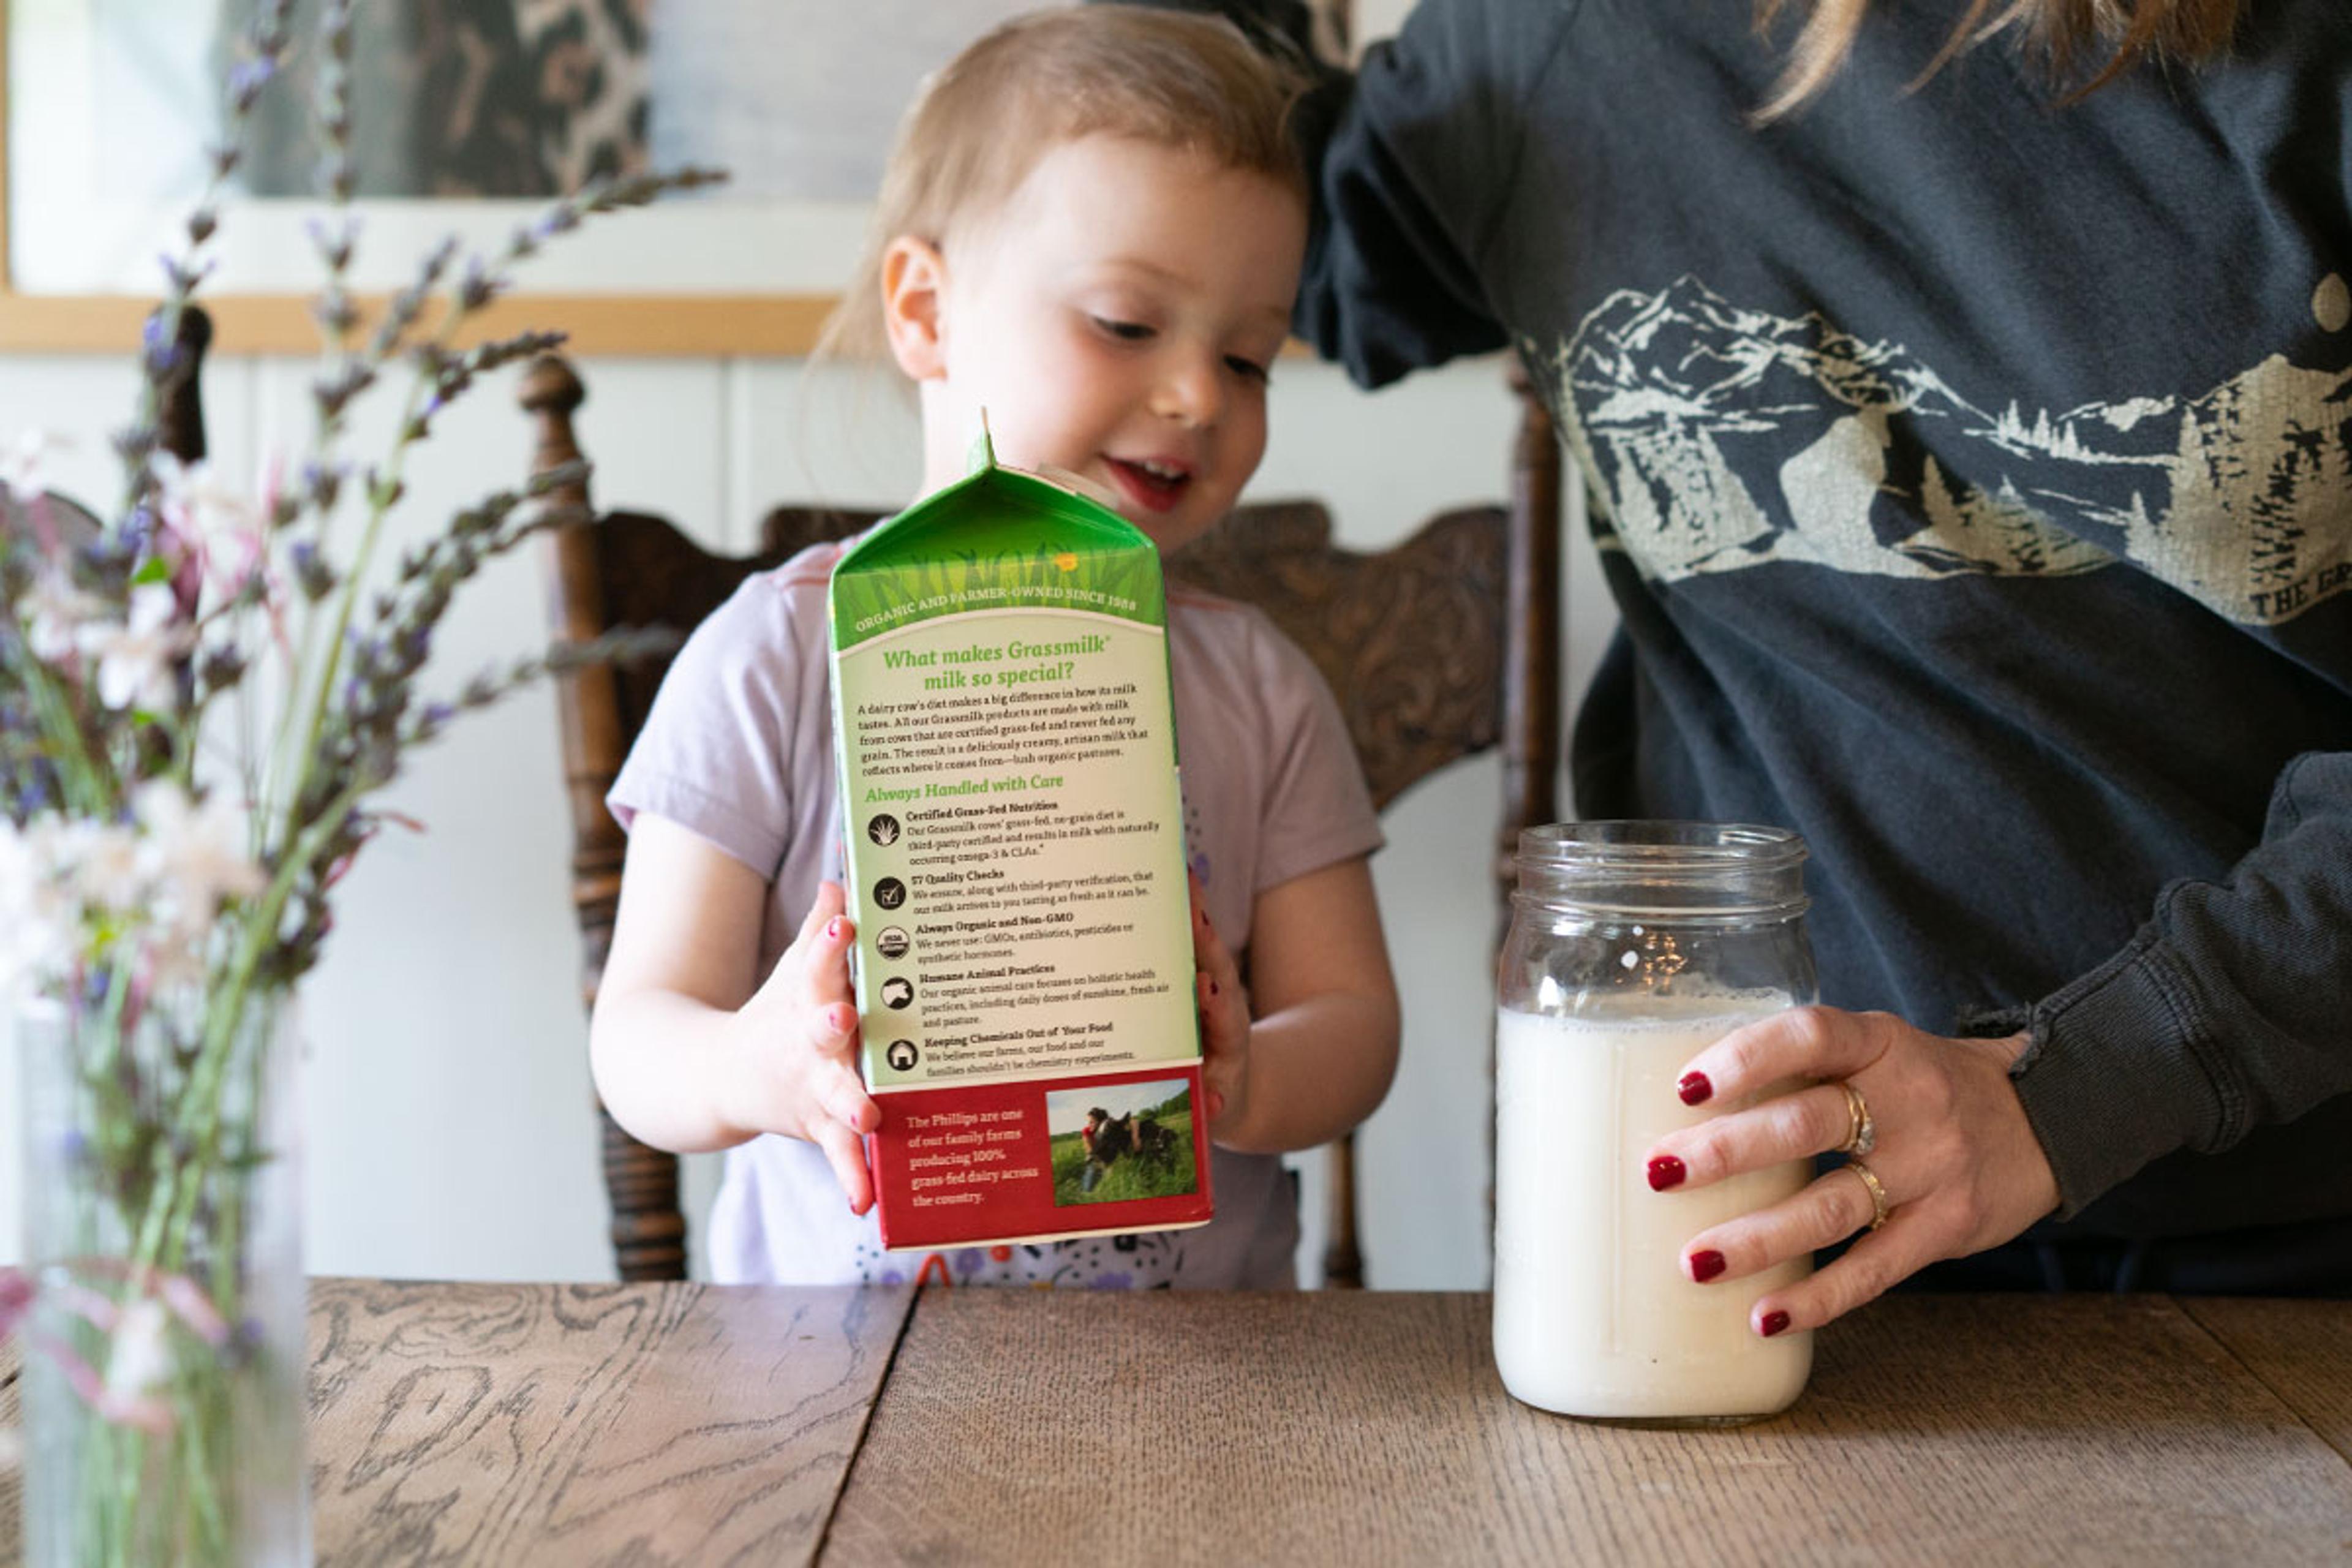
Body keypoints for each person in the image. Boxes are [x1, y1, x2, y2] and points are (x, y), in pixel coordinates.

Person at [1161, 0, 2350, 1324]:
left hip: (2288, 1207)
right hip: (1763, 1214)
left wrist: (2080, 1087)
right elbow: (1221, 201)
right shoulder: (1546, 44)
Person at [589, 6, 1401, 1290]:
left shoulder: (1258, 688)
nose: (1200, 393)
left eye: (1250, 355)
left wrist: (1245, 1076)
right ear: (928, 308)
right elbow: (636, 1037)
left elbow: (1356, 1024)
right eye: (1129, 324)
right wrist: (760, 1063)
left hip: (1205, 1402)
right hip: (836, 1393)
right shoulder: (774, 661)